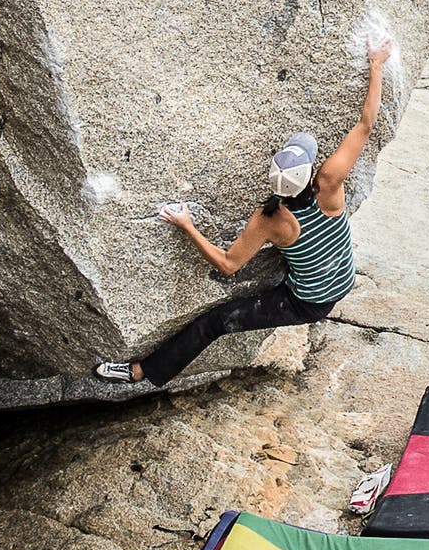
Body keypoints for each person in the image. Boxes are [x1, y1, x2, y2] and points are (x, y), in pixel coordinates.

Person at [92, 24, 392, 392]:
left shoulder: (268, 220)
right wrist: (376, 65)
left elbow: (228, 265)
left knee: (216, 322)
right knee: (293, 257)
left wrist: (186, 225)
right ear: (311, 171)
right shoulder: (330, 185)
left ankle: (142, 371)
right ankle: (141, 372)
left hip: (309, 301)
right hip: (340, 281)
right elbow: (366, 124)